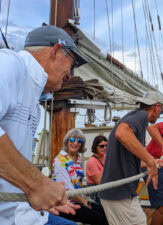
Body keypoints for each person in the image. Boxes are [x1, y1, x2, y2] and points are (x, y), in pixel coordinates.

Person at [0, 25, 88, 224]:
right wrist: (36, 184)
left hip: (25, 212)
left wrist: (44, 196)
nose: (70, 76)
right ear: (56, 50)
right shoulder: (10, 63)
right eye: (71, 64)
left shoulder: (35, 102)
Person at [99, 90, 163, 225]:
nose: (160, 115)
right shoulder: (141, 115)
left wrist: (151, 162)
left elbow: (130, 159)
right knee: (140, 222)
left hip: (118, 192)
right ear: (156, 107)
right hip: (119, 193)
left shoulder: (135, 118)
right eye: (161, 111)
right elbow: (121, 133)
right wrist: (149, 160)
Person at [52, 128, 108, 225]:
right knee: (98, 218)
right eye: (72, 140)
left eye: (79, 141)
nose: (75, 143)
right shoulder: (59, 161)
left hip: (77, 199)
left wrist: (84, 201)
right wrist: (85, 203)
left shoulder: (77, 158)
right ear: (67, 141)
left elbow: (78, 183)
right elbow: (68, 189)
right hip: (64, 203)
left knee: (104, 212)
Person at [86, 135, 107, 202]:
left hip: (105, 189)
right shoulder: (91, 161)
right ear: (95, 147)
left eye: (106, 145)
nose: (105, 148)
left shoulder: (106, 158)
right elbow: (100, 183)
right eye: (101, 146)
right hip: (96, 194)